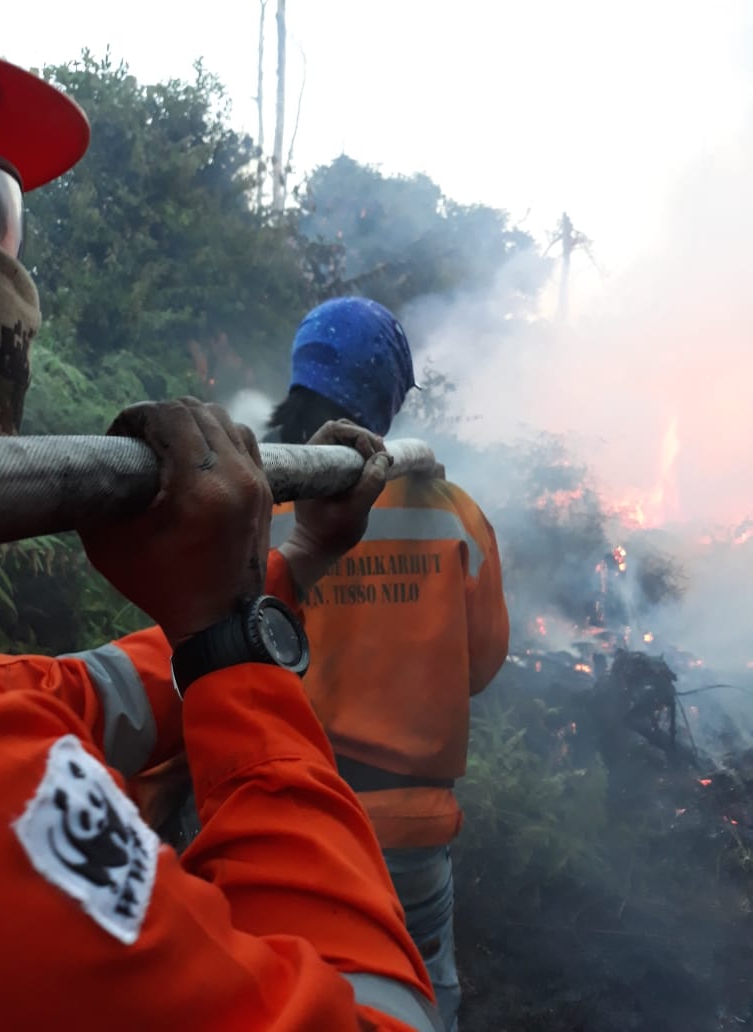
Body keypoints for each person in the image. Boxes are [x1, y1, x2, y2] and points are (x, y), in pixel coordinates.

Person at [0, 19, 442, 1031]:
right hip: (341, 833)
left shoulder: (3, 712)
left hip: (252, 813)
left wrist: (285, 572)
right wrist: (233, 642)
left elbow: (94, 696)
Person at [266, 296, 511, 1032]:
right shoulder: (454, 513)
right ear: (389, 399)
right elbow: (483, 664)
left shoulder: (264, 502)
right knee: (422, 997)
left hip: (294, 818)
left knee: (291, 998)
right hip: (411, 830)